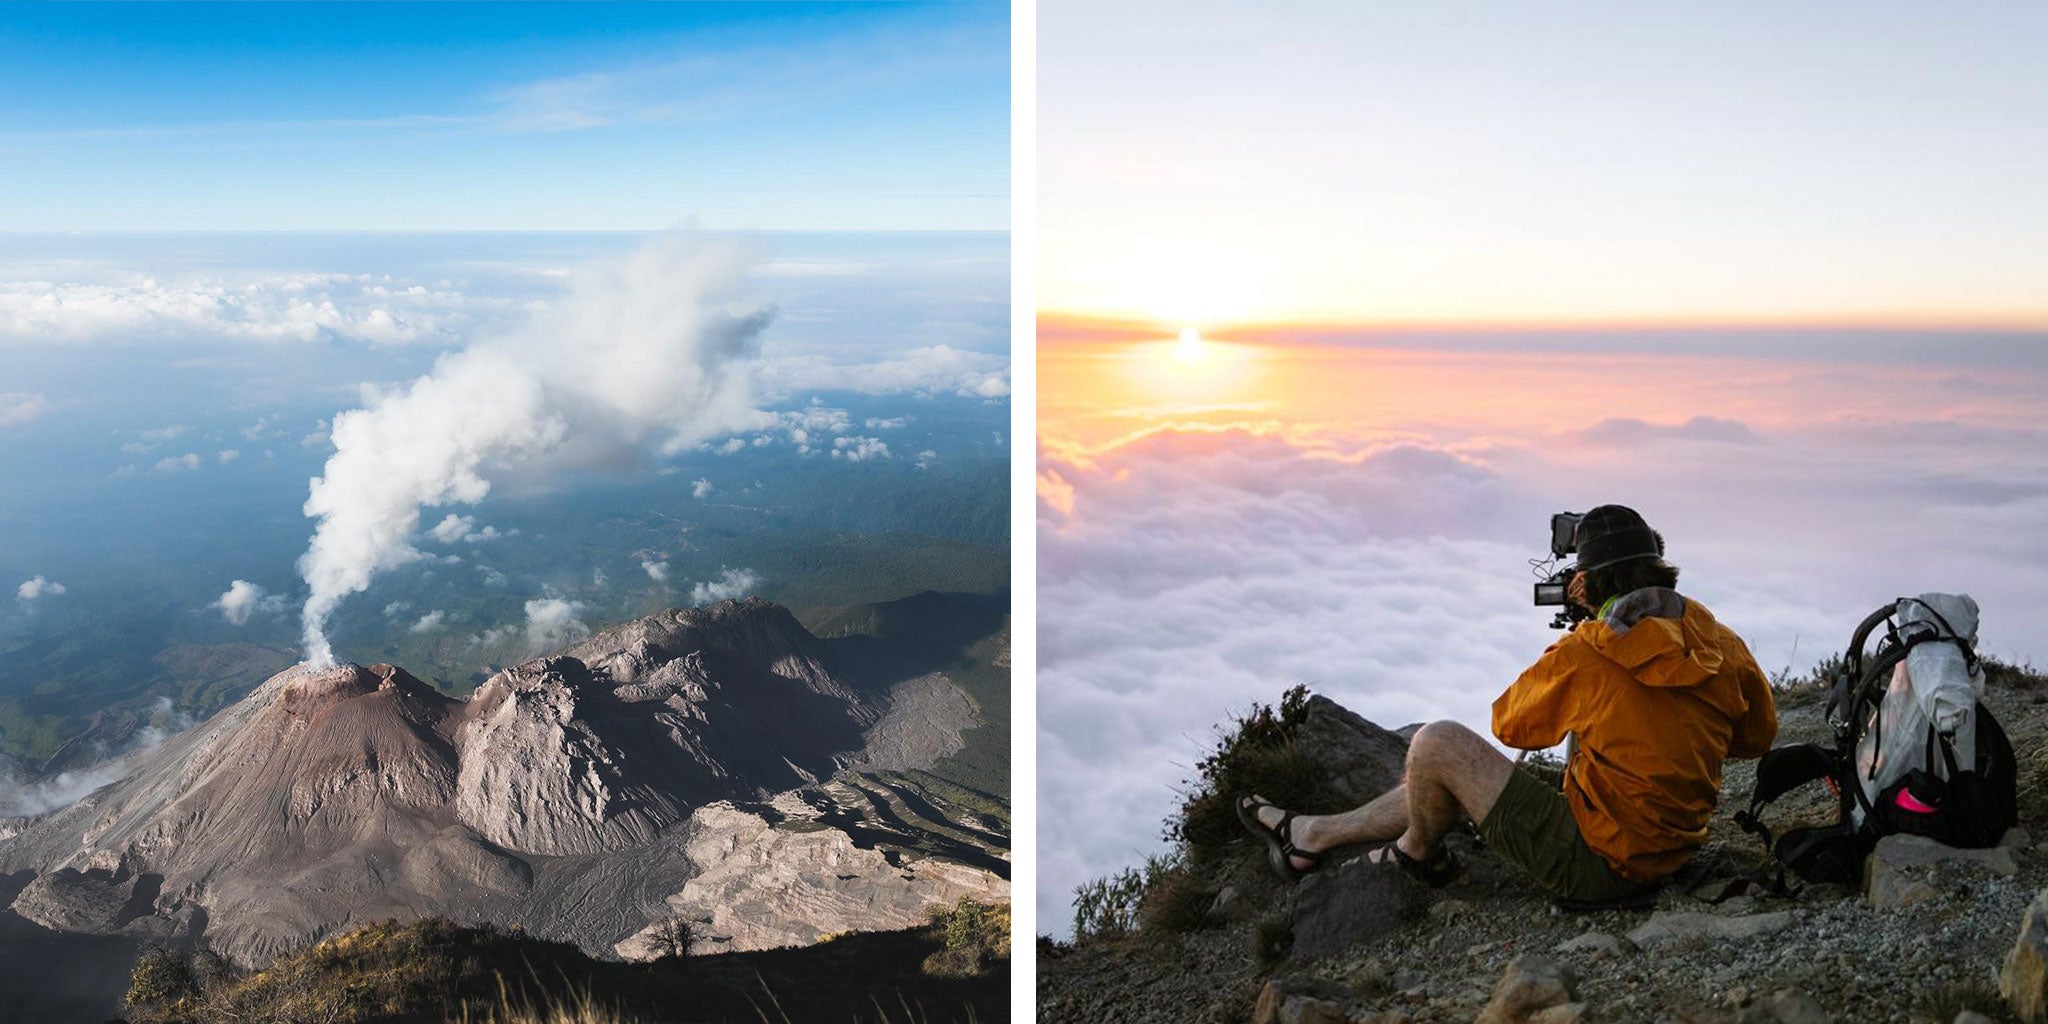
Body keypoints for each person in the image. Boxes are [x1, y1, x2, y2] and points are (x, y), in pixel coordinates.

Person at [1238, 504, 1777, 905]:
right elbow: (1756, 738)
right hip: (1671, 843)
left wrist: (1574, 643)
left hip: (1605, 866)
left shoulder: (1591, 652)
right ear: (1659, 569)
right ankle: (1311, 835)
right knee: (1449, 773)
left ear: (1587, 583)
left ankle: (1415, 853)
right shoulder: (1716, 638)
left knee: (1437, 743)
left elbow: (1510, 726)